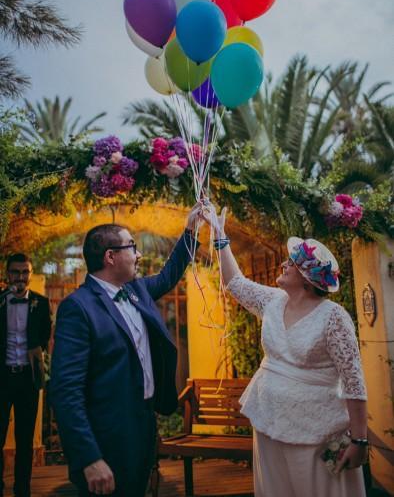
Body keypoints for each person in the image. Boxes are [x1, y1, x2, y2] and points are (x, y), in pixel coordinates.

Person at [202, 203, 368, 497]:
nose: (283, 264)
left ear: (307, 278)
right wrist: (220, 235)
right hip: (268, 421)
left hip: (316, 431)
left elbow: (354, 381)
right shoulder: (273, 301)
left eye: (291, 263)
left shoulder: (334, 317)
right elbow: (235, 283)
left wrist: (359, 440)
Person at [50, 204, 203, 497]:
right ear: (111, 256)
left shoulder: (137, 291)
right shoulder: (78, 307)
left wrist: (190, 230)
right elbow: (66, 390)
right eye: (132, 247)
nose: (139, 254)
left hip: (144, 423)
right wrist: (89, 457)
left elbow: (169, 274)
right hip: (106, 436)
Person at [0, 253, 51, 497]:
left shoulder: (41, 304)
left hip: (27, 379)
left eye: (24, 272)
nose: (20, 277)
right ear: (7, 274)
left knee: (25, 439)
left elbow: (44, 336)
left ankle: (23, 490)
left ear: (30, 275)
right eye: (15, 272)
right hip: (2, 378)